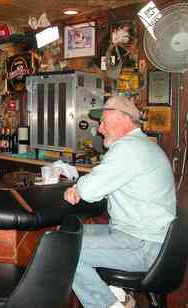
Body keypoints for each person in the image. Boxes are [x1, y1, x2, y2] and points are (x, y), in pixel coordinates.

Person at [64, 96, 176, 308]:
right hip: (141, 236)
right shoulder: (145, 145)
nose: (100, 128)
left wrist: (78, 188)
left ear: (124, 119)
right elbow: (106, 185)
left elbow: (89, 190)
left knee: (64, 250)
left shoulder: (128, 149)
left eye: (104, 121)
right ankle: (121, 299)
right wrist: (86, 187)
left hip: (145, 245)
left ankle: (110, 305)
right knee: (67, 235)